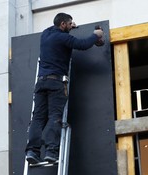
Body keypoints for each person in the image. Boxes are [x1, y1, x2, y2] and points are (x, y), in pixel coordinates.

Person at [25, 12, 104, 164]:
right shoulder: (63, 38)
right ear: (62, 24)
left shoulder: (46, 34)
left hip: (41, 83)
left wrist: (70, 27)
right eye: (69, 23)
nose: (71, 25)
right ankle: (51, 152)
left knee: (38, 118)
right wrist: (96, 35)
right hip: (56, 83)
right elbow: (83, 44)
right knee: (55, 117)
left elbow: (57, 29)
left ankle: (32, 152)